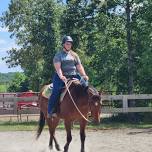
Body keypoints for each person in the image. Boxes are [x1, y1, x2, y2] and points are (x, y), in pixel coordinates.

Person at [48, 35, 89, 118]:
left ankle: (87, 108)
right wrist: (61, 76)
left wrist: (84, 75)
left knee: (86, 87)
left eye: (70, 44)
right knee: (56, 91)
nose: (69, 45)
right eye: (67, 44)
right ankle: (51, 111)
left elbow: (79, 66)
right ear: (63, 44)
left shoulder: (75, 55)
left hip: (74, 75)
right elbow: (58, 68)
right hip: (61, 77)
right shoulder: (58, 55)